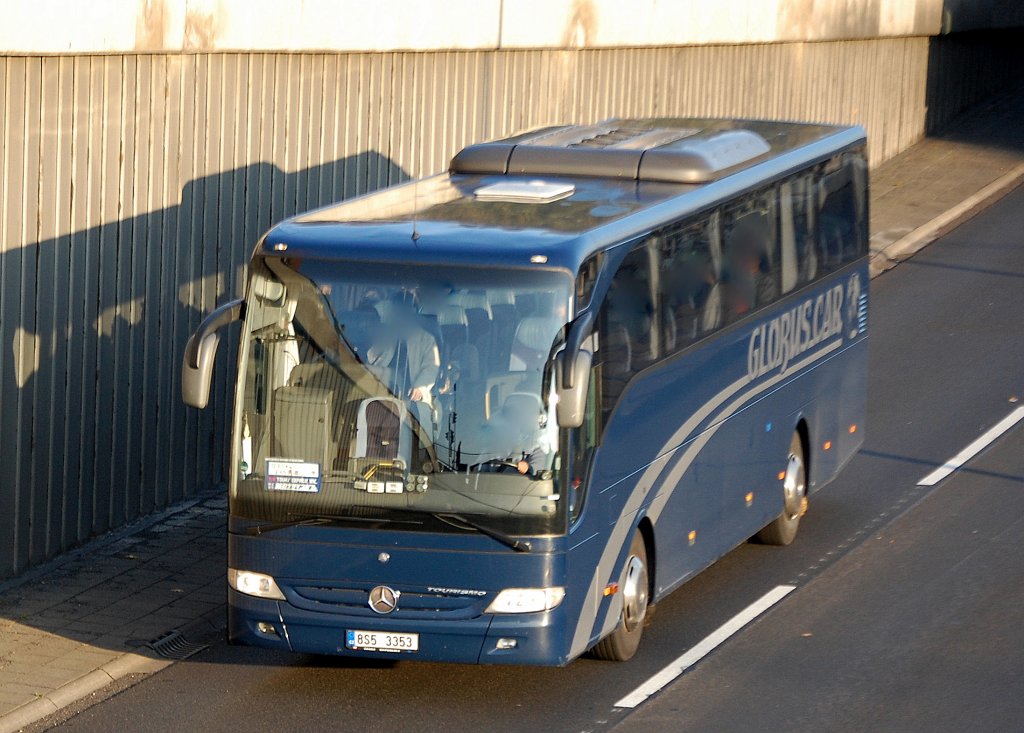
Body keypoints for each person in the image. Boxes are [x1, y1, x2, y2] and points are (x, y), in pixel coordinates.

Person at [366, 292, 441, 404]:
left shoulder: (427, 339)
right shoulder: (388, 334)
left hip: (411, 397)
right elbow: (372, 361)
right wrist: (375, 351)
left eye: (405, 313)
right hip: (382, 389)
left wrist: (420, 388)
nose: (401, 317)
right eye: (398, 313)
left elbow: (431, 368)